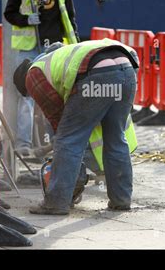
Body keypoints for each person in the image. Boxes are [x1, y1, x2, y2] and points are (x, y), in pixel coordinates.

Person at [13, 38, 139, 215]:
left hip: (97, 75)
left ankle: (56, 203)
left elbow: (61, 125)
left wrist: (71, 167)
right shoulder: (58, 56)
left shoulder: (33, 74)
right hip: (127, 69)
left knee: (68, 140)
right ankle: (121, 200)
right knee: (116, 137)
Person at [4, 0, 79, 155]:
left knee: (53, 97)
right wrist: (26, 20)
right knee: (26, 96)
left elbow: (70, 18)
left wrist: (75, 44)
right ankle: (23, 144)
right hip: (29, 49)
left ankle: (57, 142)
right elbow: (9, 13)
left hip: (53, 48)